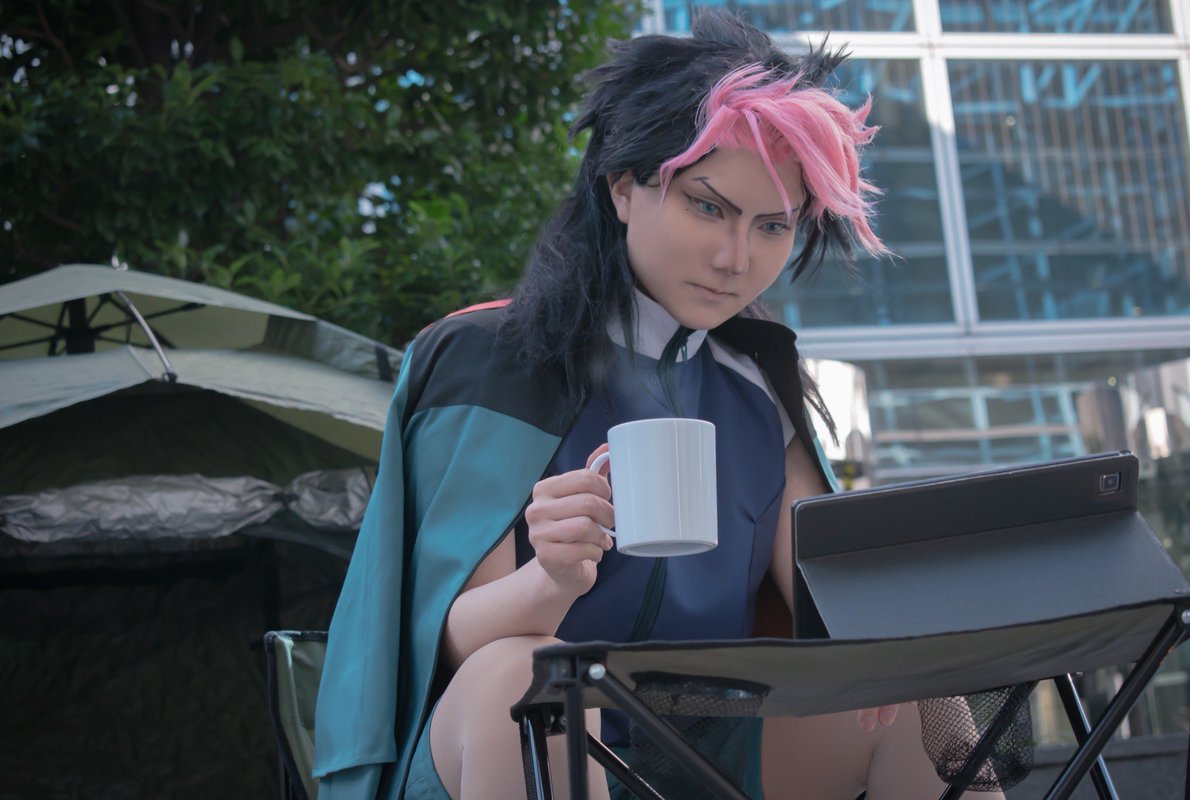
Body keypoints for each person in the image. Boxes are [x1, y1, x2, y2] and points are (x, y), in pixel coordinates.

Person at [313, 10, 1001, 800]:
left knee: (921, 698)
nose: (735, 258)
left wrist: (895, 634)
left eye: (771, 226)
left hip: (709, 743)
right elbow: (454, 637)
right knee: (524, 678)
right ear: (622, 187)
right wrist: (554, 580)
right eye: (708, 206)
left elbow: (833, 598)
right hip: (496, 743)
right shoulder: (486, 357)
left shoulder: (756, 386)